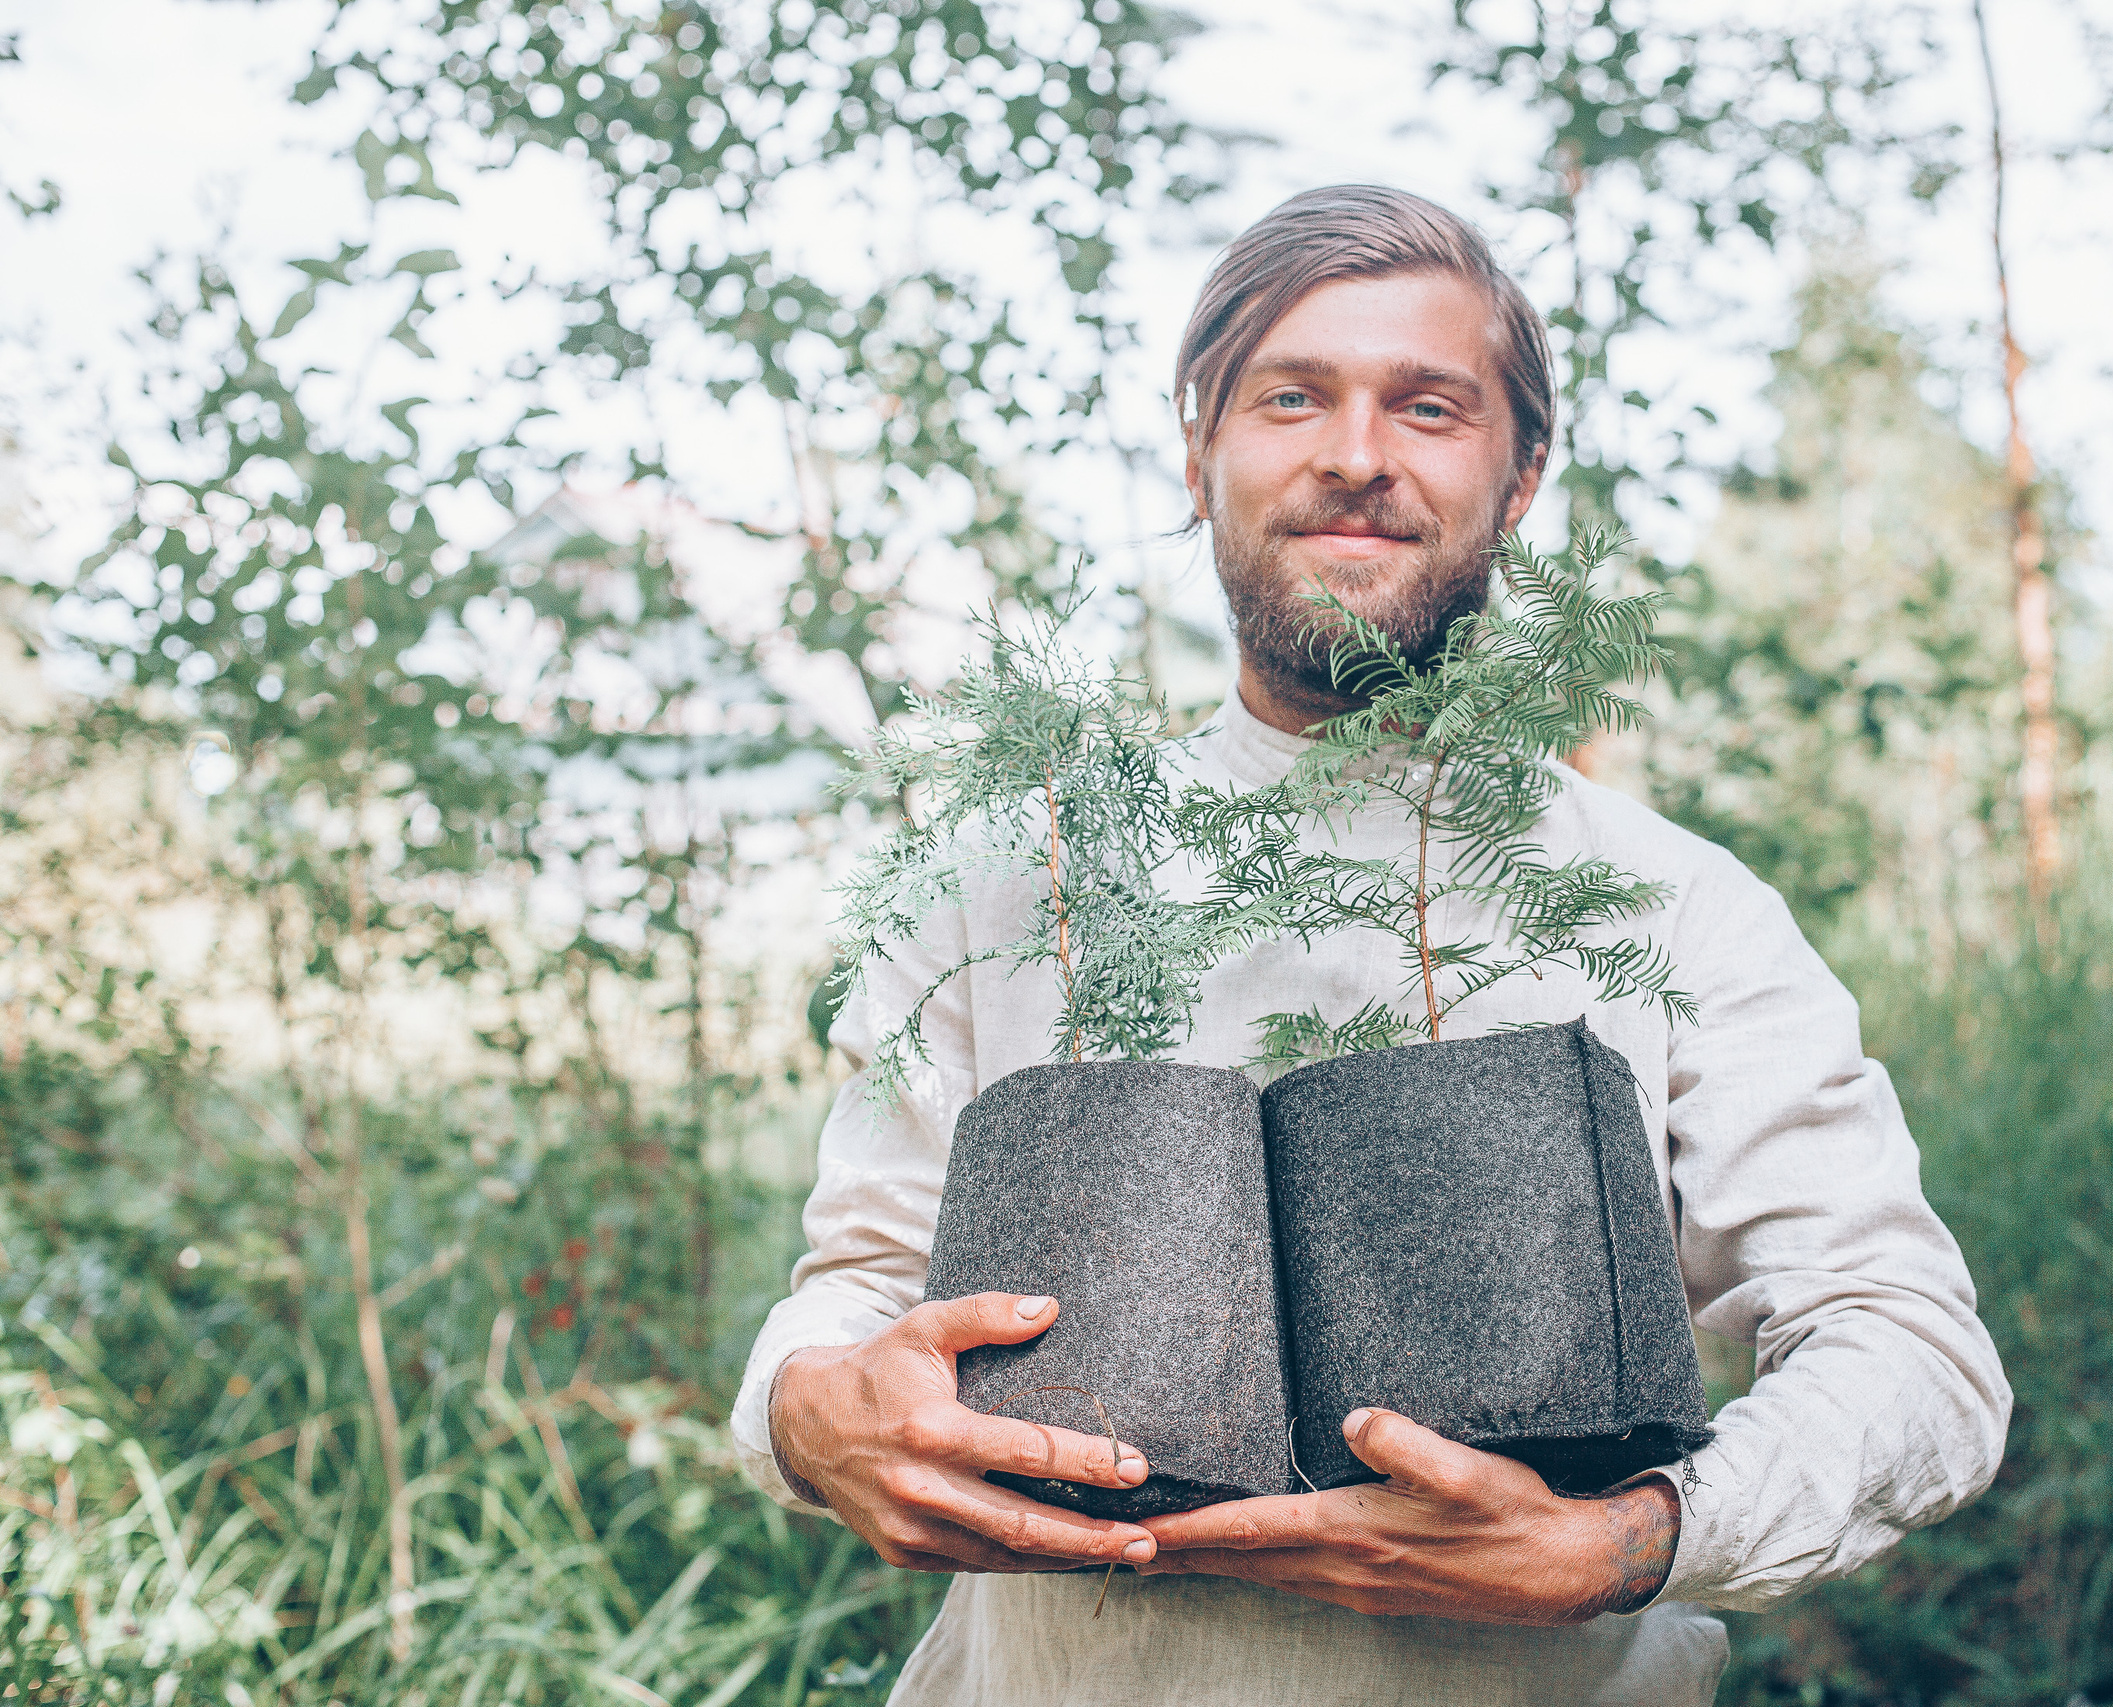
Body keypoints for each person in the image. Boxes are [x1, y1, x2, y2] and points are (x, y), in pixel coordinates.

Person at [732, 184, 2010, 1706]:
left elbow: (1909, 1350)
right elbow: (860, 1285)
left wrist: (1630, 1542)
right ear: (1199, 452)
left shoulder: (1670, 907)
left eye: (1429, 406)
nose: (1356, 454)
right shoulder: (1021, 880)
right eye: (1292, 397)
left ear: (1520, 476)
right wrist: (810, 1415)